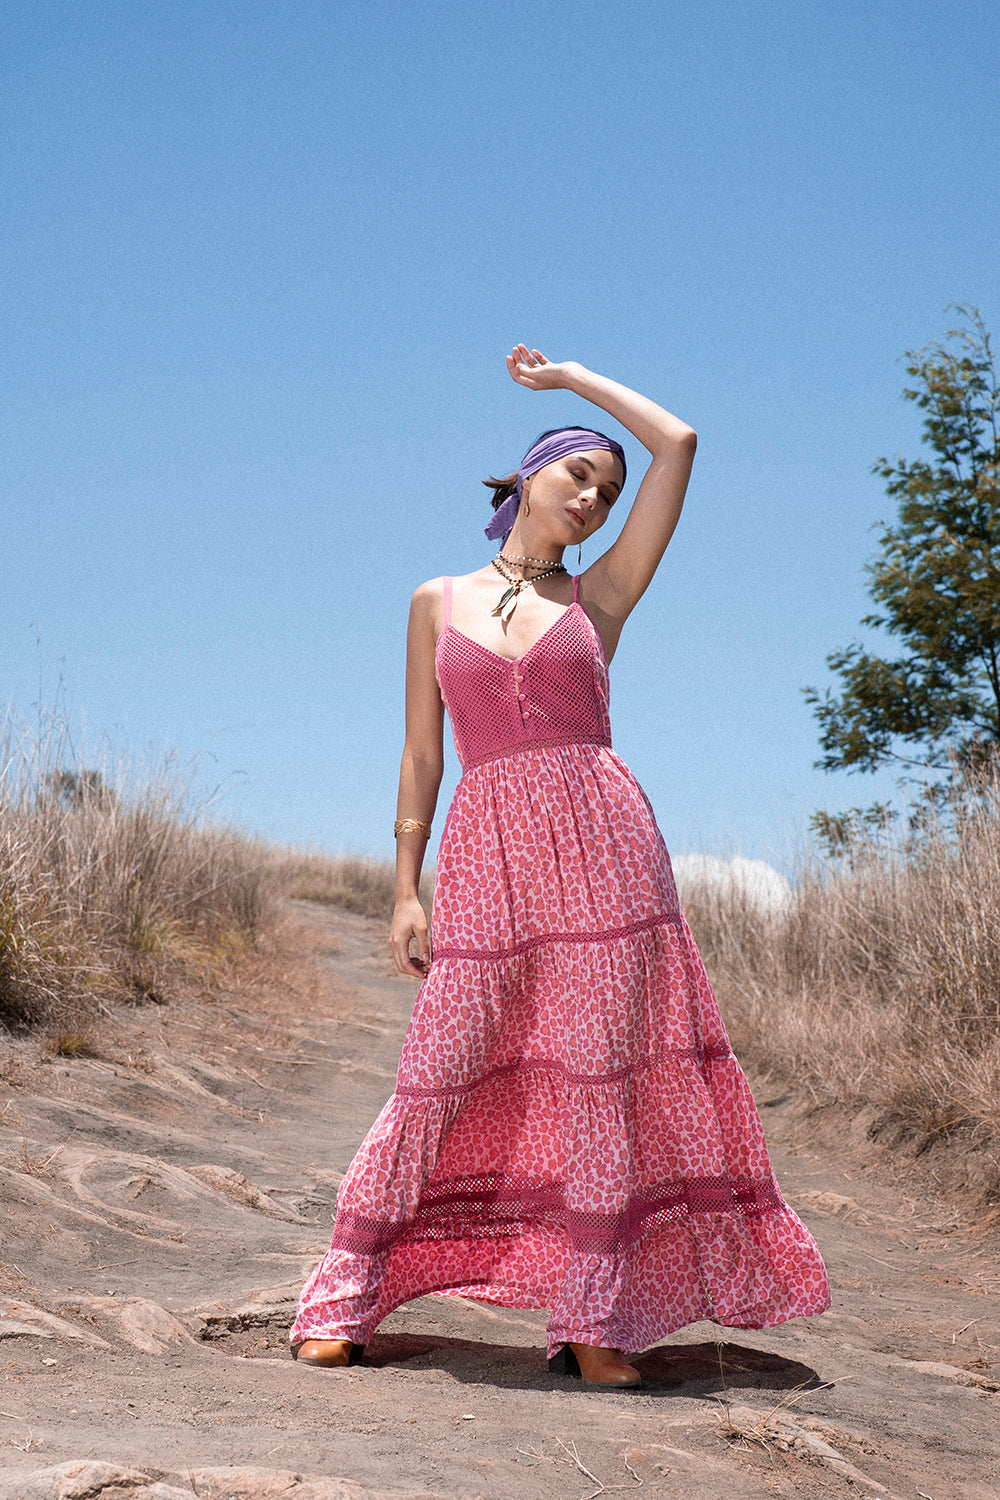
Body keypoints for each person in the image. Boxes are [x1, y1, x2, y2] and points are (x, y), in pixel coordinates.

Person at [290, 345, 830, 1387]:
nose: (591, 497)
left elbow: (677, 441)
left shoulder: (601, 598)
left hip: (605, 853)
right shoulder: (433, 599)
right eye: (579, 473)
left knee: (598, 1082)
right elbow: (420, 752)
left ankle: (591, 1321)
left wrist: (577, 378)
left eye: (606, 491)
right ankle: (346, 1295)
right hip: (486, 850)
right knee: (438, 1072)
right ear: (528, 473)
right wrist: (405, 889)